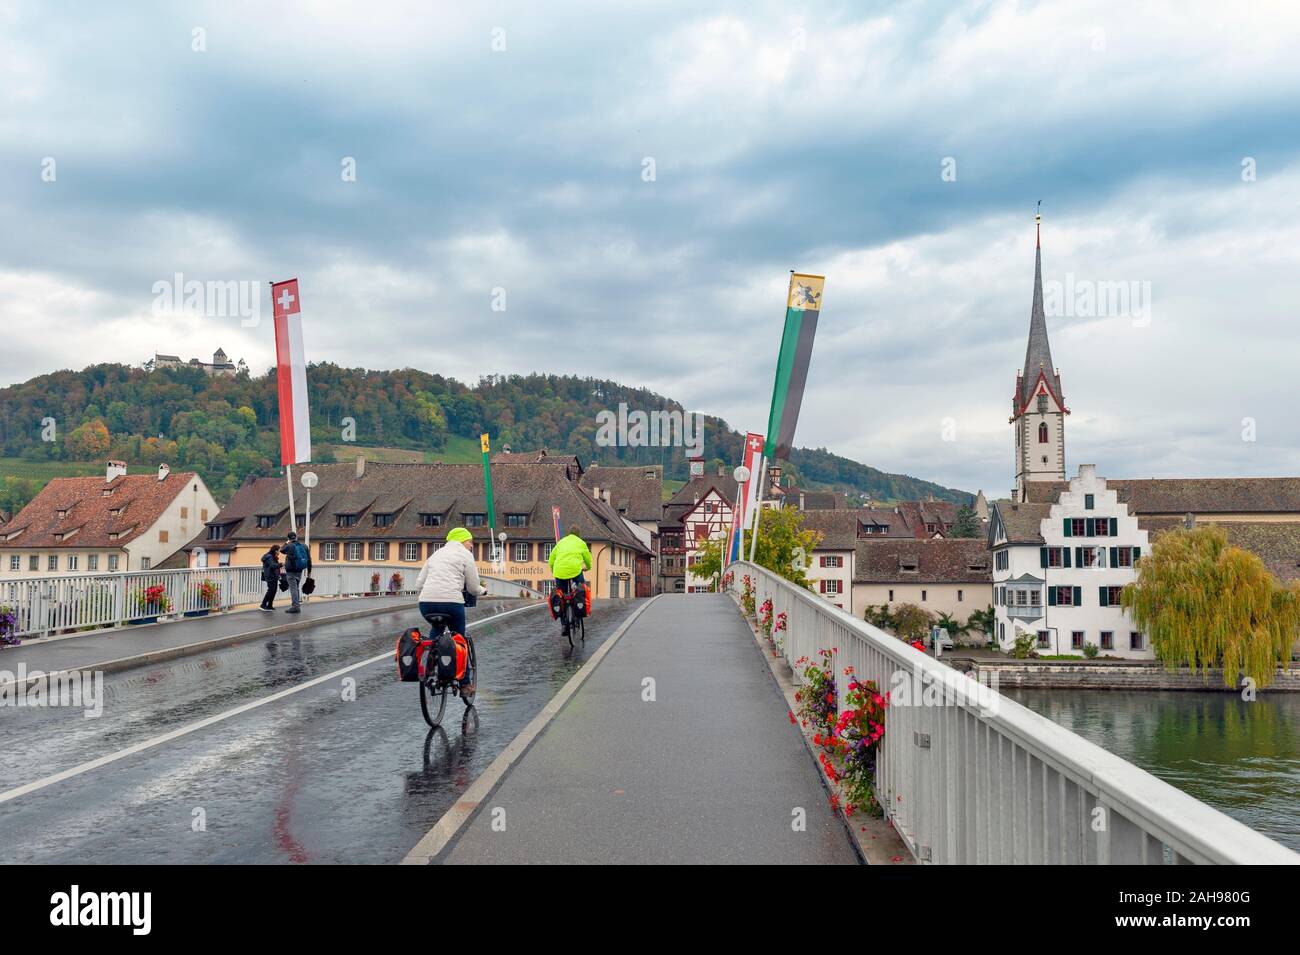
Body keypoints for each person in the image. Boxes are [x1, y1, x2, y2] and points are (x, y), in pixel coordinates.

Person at [416, 527, 486, 691]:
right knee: (459, 640)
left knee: (437, 629)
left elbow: (418, 584)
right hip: (451, 603)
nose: (471, 546)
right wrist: (483, 590)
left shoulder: (436, 554)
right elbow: (474, 588)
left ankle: (430, 667)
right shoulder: (465, 555)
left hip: (426, 604)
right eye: (470, 542)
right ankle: (465, 683)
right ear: (462, 541)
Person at [548, 528, 592, 636]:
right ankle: (578, 615)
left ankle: (564, 625)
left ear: (569, 533)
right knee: (581, 589)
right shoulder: (581, 543)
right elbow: (587, 558)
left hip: (559, 571)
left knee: (561, 595)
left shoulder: (561, 542)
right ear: (578, 535)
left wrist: (554, 571)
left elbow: (551, 560)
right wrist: (588, 567)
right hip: (575, 571)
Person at [282, 531, 312, 614]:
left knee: (293, 588)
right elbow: (309, 559)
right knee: (296, 588)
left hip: (291, 571)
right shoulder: (304, 546)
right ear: (296, 537)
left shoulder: (290, 546)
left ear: (288, 538)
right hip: (299, 570)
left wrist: (286, 542)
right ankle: (297, 605)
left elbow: (282, 550)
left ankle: (295, 607)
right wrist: (309, 571)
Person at [259, 544, 282, 611]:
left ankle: (269, 605)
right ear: (275, 550)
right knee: (271, 590)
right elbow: (273, 566)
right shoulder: (269, 557)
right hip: (270, 576)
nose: (279, 552)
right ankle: (263, 604)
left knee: (273, 591)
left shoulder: (272, 556)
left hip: (273, 576)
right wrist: (281, 564)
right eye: (279, 551)